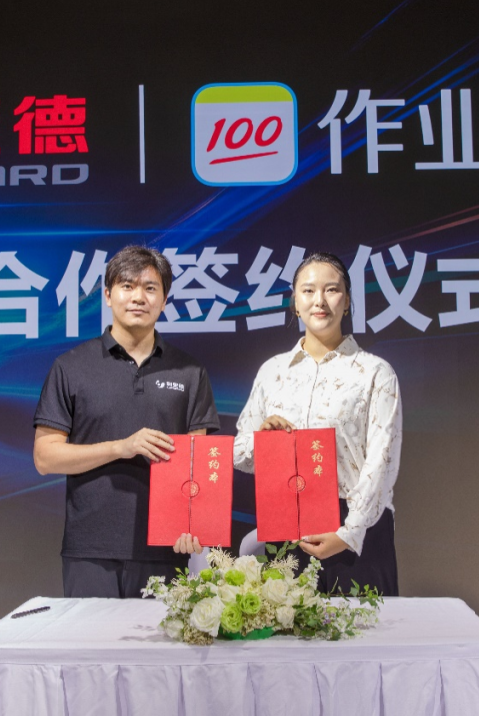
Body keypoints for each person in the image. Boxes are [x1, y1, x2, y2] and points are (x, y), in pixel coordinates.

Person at [33, 246, 220, 598]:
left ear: (164, 301)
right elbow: (45, 457)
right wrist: (121, 447)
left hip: (167, 549)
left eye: (150, 288)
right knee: (91, 637)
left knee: (163, 637)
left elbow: (200, 460)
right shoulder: (71, 367)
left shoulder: (190, 372)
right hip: (91, 549)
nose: (138, 297)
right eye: (127, 286)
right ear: (108, 295)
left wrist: (193, 523)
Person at [233, 252, 402, 595]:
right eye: (308, 291)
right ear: (295, 302)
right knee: (288, 628)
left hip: (357, 526)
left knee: (364, 629)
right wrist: (262, 439)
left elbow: (382, 460)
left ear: (348, 301)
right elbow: (240, 455)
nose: (319, 301)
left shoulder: (375, 372)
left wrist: (349, 532)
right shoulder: (272, 371)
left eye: (332, 290)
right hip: (288, 523)